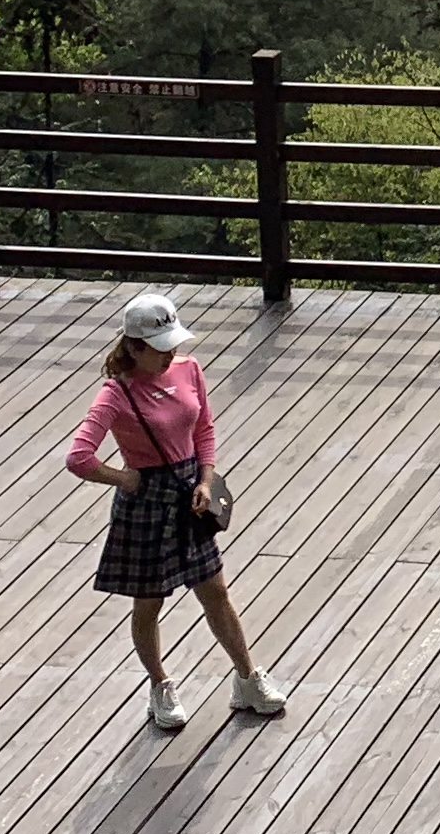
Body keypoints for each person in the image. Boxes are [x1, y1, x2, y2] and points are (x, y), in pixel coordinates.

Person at [64, 291, 287, 732]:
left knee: (216, 592)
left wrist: (205, 479)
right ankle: (160, 685)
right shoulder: (116, 393)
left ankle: (246, 678)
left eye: (174, 344)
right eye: (161, 347)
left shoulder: (189, 370)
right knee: (149, 603)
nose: (171, 354)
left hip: (188, 493)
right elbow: (79, 457)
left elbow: (203, 426)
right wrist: (124, 479)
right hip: (147, 503)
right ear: (134, 346)